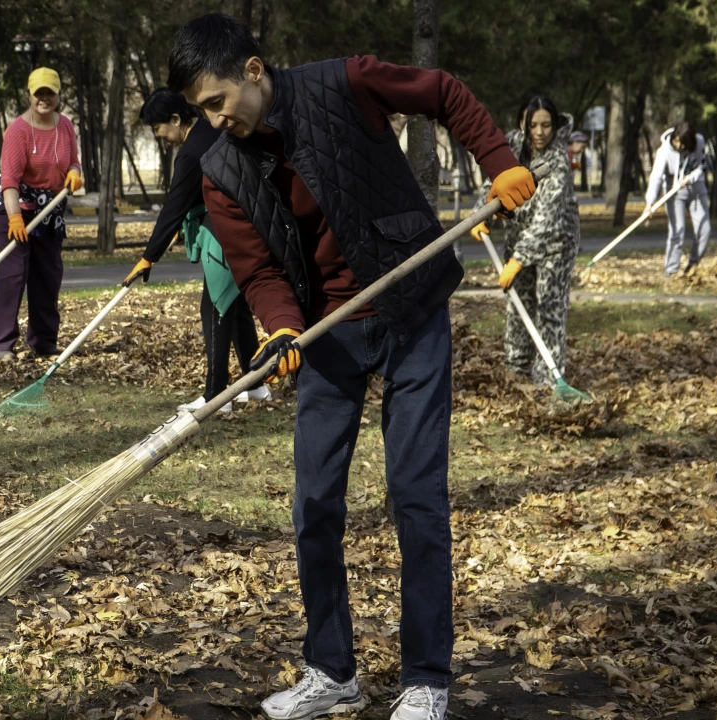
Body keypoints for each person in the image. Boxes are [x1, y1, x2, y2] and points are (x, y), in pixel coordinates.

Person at [168, 14, 537, 720]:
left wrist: (499, 160)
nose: (212, 121)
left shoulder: (346, 81)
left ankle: (426, 679)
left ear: (252, 71)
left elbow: (444, 92)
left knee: (415, 495)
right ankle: (331, 670)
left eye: (216, 102)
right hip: (329, 335)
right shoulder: (218, 168)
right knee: (313, 504)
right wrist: (281, 329)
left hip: (410, 308)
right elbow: (258, 268)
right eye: (199, 111)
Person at [124, 89, 269, 413]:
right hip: (249, 227)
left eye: (159, 128)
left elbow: (173, 206)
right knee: (237, 307)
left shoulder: (191, 151)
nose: (160, 136)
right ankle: (256, 384)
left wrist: (149, 256)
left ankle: (216, 397)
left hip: (227, 234)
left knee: (215, 308)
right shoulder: (212, 131)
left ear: (176, 119)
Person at [471, 96, 581, 387]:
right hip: (518, 237)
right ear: (523, 124)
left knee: (548, 308)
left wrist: (519, 259)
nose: (540, 131)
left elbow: (547, 218)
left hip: (555, 244)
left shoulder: (558, 160)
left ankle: (549, 379)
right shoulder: (511, 148)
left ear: (554, 126)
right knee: (518, 305)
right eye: (533, 125)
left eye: (546, 125)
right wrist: (481, 214)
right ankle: (517, 367)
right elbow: (494, 184)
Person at [0, 67, 85, 360]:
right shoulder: (17, 130)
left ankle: (43, 341)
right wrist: (15, 217)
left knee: (48, 274)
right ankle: (0, 344)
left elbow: (74, 162)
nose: (44, 98)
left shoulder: (65, 126)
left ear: (57, 95)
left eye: (49, 93)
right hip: (14, 207)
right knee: (14, 274)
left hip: (50, 209)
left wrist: (74, 174)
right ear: (29, 94)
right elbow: (9, 180)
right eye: (38, 92)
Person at [646, 121, 711, 276]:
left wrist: (690, 178)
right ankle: (671, 271)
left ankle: (692, 266)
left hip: (697, 190)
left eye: (682, 143)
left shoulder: (699, 142)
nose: (678, 145)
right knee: (677, 231)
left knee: (704, 230)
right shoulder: (664, 151)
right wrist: (650, 203)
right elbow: (656, 176)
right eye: (676, 141)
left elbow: (702, 166)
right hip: (674, 193)